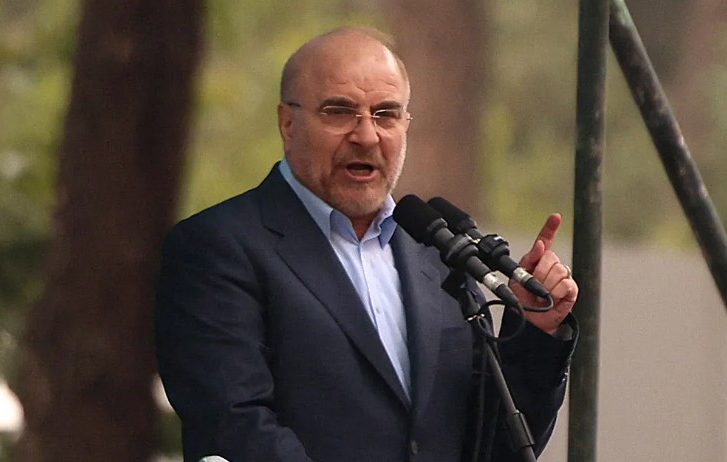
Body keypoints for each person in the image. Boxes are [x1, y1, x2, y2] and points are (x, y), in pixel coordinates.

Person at [155, 26, 579, 462]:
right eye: (339, 112)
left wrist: (535, 331)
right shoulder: (216, 247)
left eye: (385, 114)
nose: (367, 135)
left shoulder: (439, 251)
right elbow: (236, 427)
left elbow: (493, 447)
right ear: (287, 123)